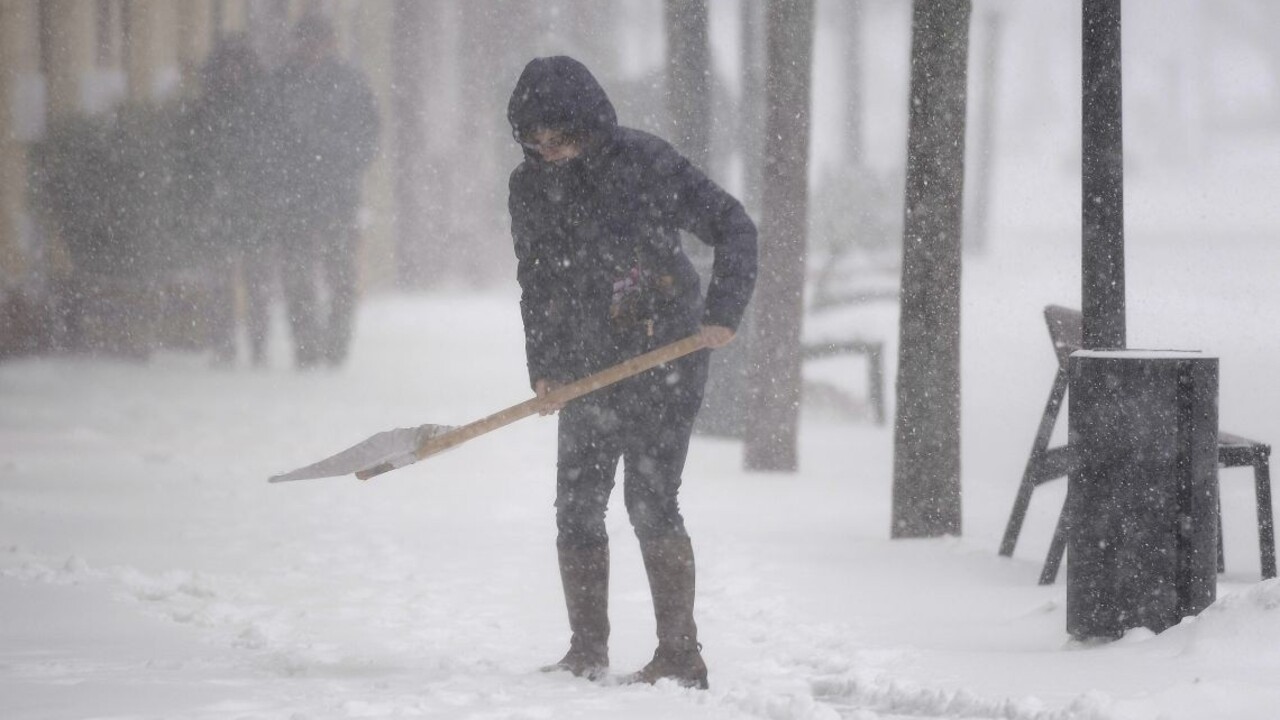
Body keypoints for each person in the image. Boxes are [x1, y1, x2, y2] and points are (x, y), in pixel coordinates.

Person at [506, 56, 757, 690]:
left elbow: (734, 228)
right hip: (588, 366)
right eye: (535, 142)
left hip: (664, 353)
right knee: (577, 506)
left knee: (649, 500)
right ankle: (586, 650)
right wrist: (546, 368)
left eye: (558, 138)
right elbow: (537, 281)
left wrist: (722, 314)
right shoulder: (529, 186)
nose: (548, 153)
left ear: (588, 125)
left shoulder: (645, 162)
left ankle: (680, 654)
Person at [267, 13, 379, 369]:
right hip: (295, 195)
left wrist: (343, 162)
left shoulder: (348, 83)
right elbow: (266, 136)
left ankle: (335, 346)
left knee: (339, 274)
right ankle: (306, 345)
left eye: (318, 42)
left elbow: (368, 135)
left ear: (329, 44)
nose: (312, 49)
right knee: (298, 274)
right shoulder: (283, 82)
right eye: (306, 42)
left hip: (336, 194)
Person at [186, 35, 274, 367]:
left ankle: (258, 346)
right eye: (227, 66)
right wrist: (200, 197)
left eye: (238, 65)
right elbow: (193, 159)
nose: (232, 72)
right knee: (221, 283)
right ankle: (223, 345)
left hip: (253, 206)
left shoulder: (261, 107)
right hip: (219, 206)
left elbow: (273, 155)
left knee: (256, 283)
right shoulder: (207, 108)